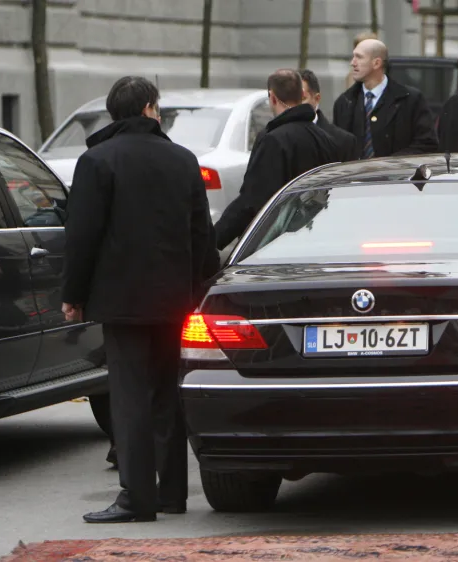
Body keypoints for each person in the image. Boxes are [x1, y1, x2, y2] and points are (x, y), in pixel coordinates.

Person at [62, 76, 218, 523]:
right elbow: (201, 233)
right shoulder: (183, 159)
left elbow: (82, 236)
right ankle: (172, 493)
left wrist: (73, 295)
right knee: (167, 393)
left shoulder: (97, 161)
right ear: (150, 108)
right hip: (175, 298)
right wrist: (200, 288)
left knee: (129, 397)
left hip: (122, 300)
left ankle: (136, 497)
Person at [214, 69, 339, 250]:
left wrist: (215, 240)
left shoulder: (274, 140)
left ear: (272, 97)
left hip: (279, 245)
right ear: (301, 94)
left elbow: (253, 200)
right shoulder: (325, 139)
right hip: (318, 238)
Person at [333, 39, 439, 158]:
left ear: (376, 63)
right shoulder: (344, 103)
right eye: (353, 57)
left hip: (398, 170)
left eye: (359, 57)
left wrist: (390, 164)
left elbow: (427, 144)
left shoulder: (410, 100)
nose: (353, 63)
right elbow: (337, 149)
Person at [300, 68, 359, 162]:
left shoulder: (343, 141)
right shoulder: (277, 137)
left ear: (317, 99)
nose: (294, 105)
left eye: (302, 99)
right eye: (289, 100)